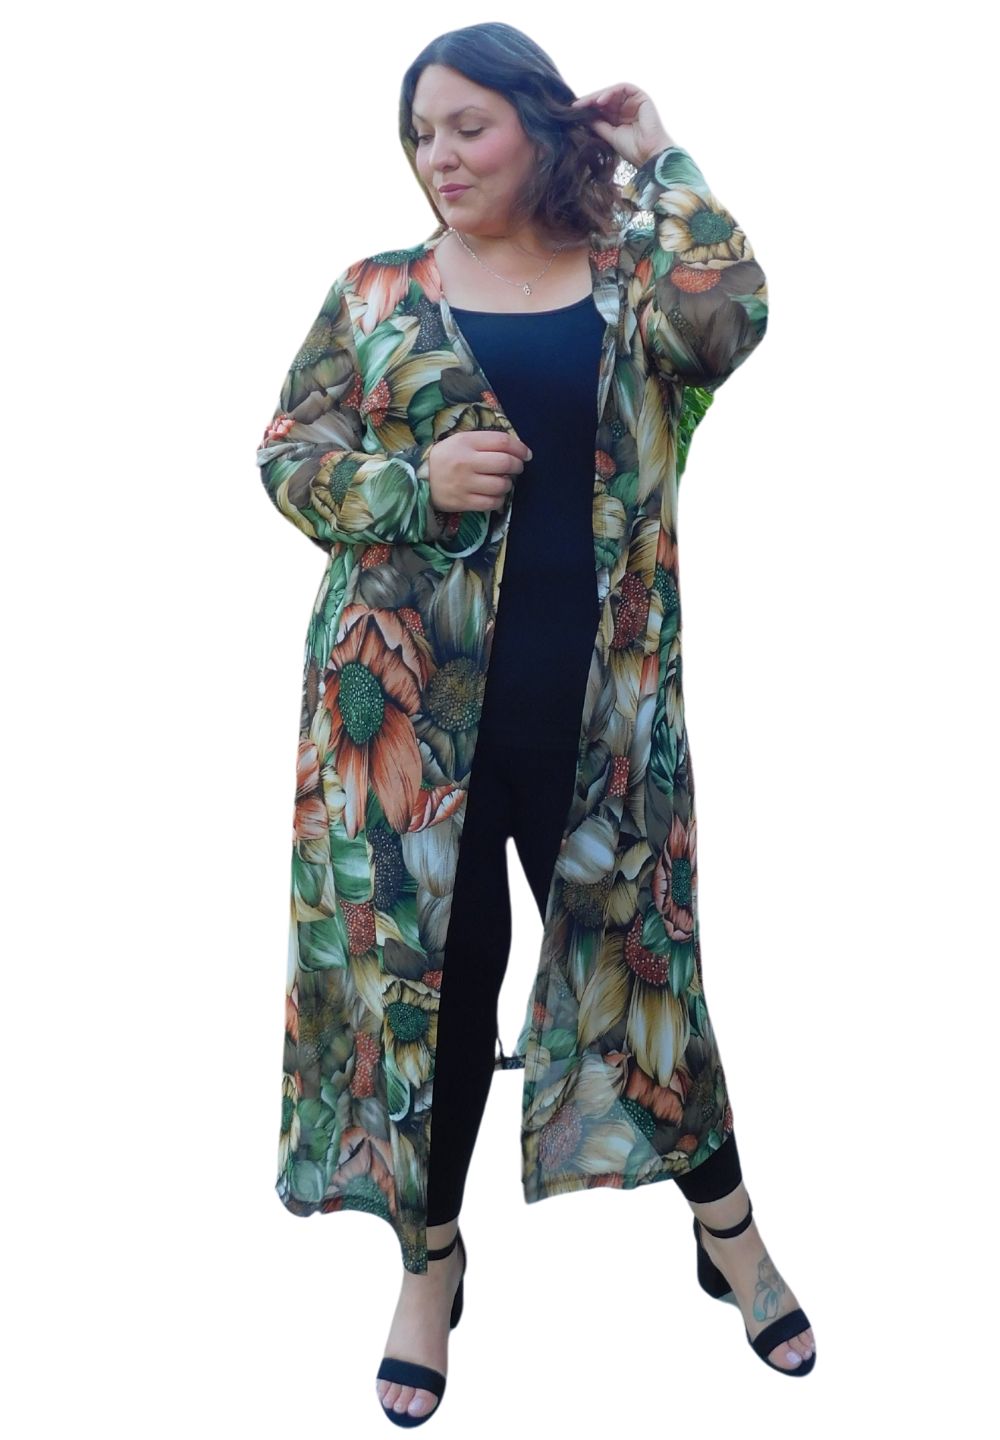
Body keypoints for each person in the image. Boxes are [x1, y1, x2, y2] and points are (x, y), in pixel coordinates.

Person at [256, 21, 815, 1426]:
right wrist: (411, 483)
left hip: (605, 719)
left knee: (649, 982)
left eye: (469, 127)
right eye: (421, 134)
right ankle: (430, 1264)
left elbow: (731, 320)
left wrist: (663, 159)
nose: (439, 157)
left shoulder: (629, 283)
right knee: (434, 1001)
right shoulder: (376, 293)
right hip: (403, 744)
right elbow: (288, 455)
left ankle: (730, 1234)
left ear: (537, 123)